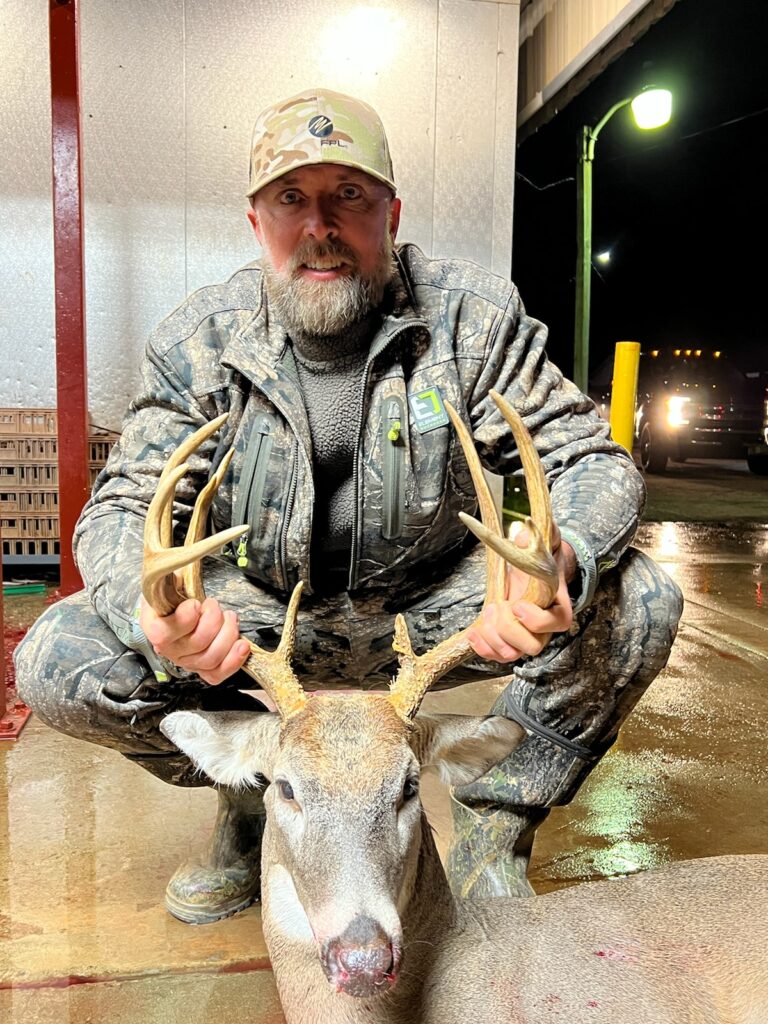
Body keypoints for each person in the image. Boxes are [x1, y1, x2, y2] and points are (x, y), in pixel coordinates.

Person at [15, 88, 683, 924]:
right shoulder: (201, 339)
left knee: (641, 602)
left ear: (391, 213)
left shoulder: (473, 319)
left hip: (433, 613)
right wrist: (152, 611)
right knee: (60, 659)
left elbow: (589, 459)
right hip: (257, 622)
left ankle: (496, 820)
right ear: (255, 222)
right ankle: (260, 793)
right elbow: (120, 507)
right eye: (292, 199)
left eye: (350, 197)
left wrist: (562, 558)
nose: (320, 225)